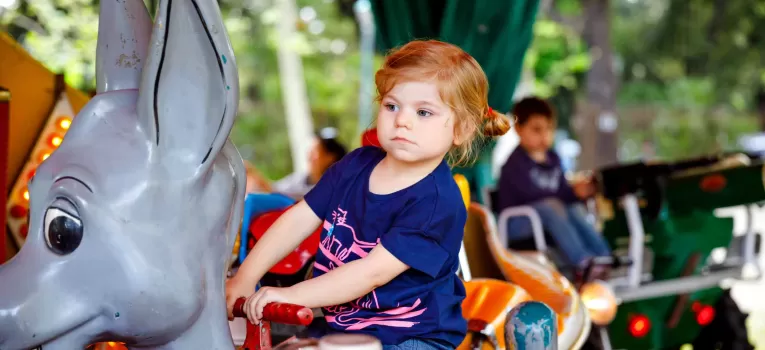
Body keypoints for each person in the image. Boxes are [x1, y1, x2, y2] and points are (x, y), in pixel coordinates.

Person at [226, 40, 511, 349]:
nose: (402, 120)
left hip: (410, 337)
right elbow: (297, 219)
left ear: (462, 129)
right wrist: (244, 277)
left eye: (424, 112)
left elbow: (370, 273)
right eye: (392, 106)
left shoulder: (437, 202)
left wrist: (291, 294)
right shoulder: (355, 166)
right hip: (343, 328)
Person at [496, 96, 611, 284]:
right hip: (518, 222)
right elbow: (531, 195)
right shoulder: (514, 164)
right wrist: (565, 195)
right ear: (518, 129)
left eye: (549, 129)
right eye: (536, 130)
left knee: (573, 208)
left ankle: (603, 257)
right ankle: (581, 261)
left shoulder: (553, 158)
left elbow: (562, 194)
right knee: (551, 206)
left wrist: (577, 193)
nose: (544, 135)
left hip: (548, 217)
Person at [248, 127, 348, 199]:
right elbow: (275, 188)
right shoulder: (302, 178)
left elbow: (281, 196)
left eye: (315, 151)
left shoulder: (332, 189)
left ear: (329, 157)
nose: (309, 156)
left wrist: (255, 175)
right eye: (310, 151)